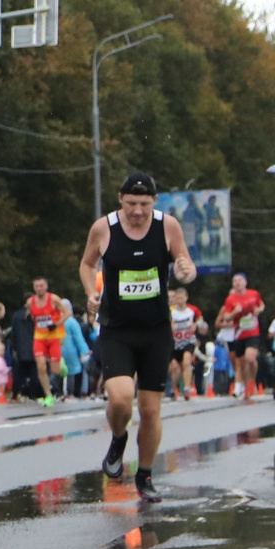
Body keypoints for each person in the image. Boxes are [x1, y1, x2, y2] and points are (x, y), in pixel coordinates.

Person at [79, 173, 198, 499]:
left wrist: (186, 271)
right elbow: (87, 264)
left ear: (154, 202)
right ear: (120, 199)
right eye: (131, 203)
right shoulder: (103, 228)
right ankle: (119, 438)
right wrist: (91, 292)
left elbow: (186, 265)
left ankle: (144, 475)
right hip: (117, 330)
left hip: (156, 331)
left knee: (150, 409)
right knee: (120, 398)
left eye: (144, 204)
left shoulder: (167, 226)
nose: (137, 211)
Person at [216, 271, 266, 401]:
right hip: (239, 334)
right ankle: (247, 385)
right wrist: (234, 312)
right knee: (241, 362)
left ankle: (251, 381)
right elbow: (226, 317)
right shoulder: (230, 299)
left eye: (240, 280)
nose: (237, 283)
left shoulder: (253, 294)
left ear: (245, 282)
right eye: (235, 281)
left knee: (250, 358)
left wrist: (259, 310)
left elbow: (261, 304)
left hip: (253, 332)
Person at [23, 278, 64, 410]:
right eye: (36, 286)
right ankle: (48, 395)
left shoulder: (54, 299)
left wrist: (56, 324)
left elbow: (68, 313)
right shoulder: (30, 302)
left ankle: (62, 367)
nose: (39, 288)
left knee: (55, 370)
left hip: (54, 337)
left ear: (46, 286)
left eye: (41, 286)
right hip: (39, 338)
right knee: (40, 366)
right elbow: (31, 316)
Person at [168, 286, 201, 399]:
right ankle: (173, 389)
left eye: (182, 298)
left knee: (187, 361)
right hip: (175, 342)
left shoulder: (192, 310)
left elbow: (200, 319)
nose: (180, 300)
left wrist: (195, 325)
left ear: (186, 298)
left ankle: (187, 388)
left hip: (188, 341)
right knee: (175, 367)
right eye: (177, 298)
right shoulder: (172, 312)